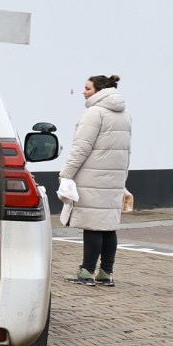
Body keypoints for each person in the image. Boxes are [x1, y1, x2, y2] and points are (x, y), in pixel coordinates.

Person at [59, 73, 132, 286]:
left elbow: (81, 148)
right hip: (114, 177)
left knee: (92, 224)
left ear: (99, 91)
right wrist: (123, 178)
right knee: (108, 226)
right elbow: (127, 150)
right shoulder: (125, 115)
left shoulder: (94, 114)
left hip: (92, 176)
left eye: (88, 88)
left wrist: (66, 173)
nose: (84, 91)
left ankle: (86, 272)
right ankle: (106, 273)